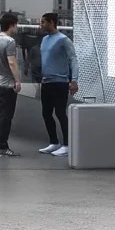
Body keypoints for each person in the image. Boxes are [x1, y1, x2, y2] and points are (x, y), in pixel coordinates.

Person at [39, 13, 78, 157]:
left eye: (43, 22)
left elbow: (73, 59)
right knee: (46, 113)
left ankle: (67, 145)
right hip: (46, 81)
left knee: (60, 113)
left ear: (51, 22)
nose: (40, 25)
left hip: (60, 82)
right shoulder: (44, 40)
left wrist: (74, 80)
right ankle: (53, 142)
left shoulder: (63, 40)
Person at [0, 13, 22, 157]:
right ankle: (2, 146)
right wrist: (18, 80)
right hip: (7, 84)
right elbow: (12, 62)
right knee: (6, 116)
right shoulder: (9, 41)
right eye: (16, 24)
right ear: (12, 25)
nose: (17, 27)